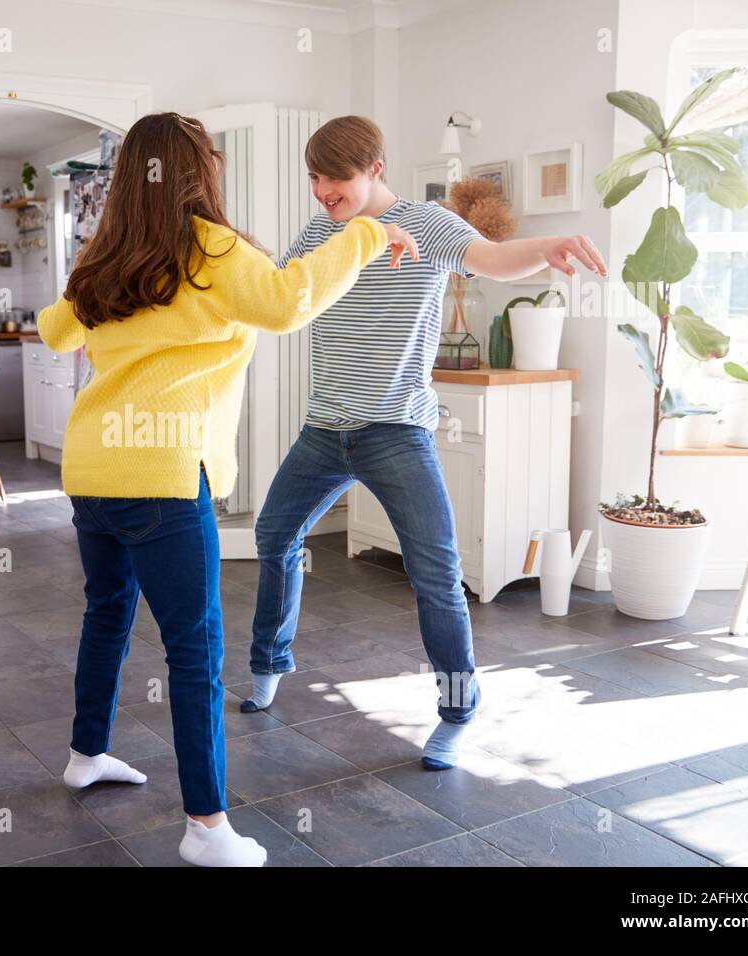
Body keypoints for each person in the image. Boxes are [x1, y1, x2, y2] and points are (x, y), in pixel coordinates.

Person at [36, 112, 417, 866]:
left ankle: (86, 754)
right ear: (197, 170)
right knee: (194, 649)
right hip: (164, 477)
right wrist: (370, 236)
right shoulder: (211, 248)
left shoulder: (105, 255)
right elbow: (287, 303)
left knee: (106, 612)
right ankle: (207, 829)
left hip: (93, 469)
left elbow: (55, 332)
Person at [242, 116, 607, 773]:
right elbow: (278, 294)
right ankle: (270, 662)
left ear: (375, 169)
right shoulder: (322, 230)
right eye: (316, 177)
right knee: (274, 536)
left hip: (396, 433)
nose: (324, 189)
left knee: (437, 575)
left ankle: (458, 710)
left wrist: (545, 246)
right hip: (325, 428)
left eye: (338, 178)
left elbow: (493, 260)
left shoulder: (431, 224)